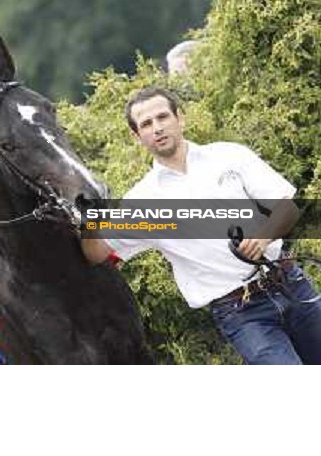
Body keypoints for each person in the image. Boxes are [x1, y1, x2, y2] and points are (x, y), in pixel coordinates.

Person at [89, 86, 321, 364]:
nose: (157, 128)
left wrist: (263, 236)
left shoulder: (229, 155)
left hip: (291, 284)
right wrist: (83, 214)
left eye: (163, 117)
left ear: (180, 118)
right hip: (242, 313)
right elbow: (96, 252)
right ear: (136, 136)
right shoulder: (141, 201)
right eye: (146, 124)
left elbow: (287, 207)